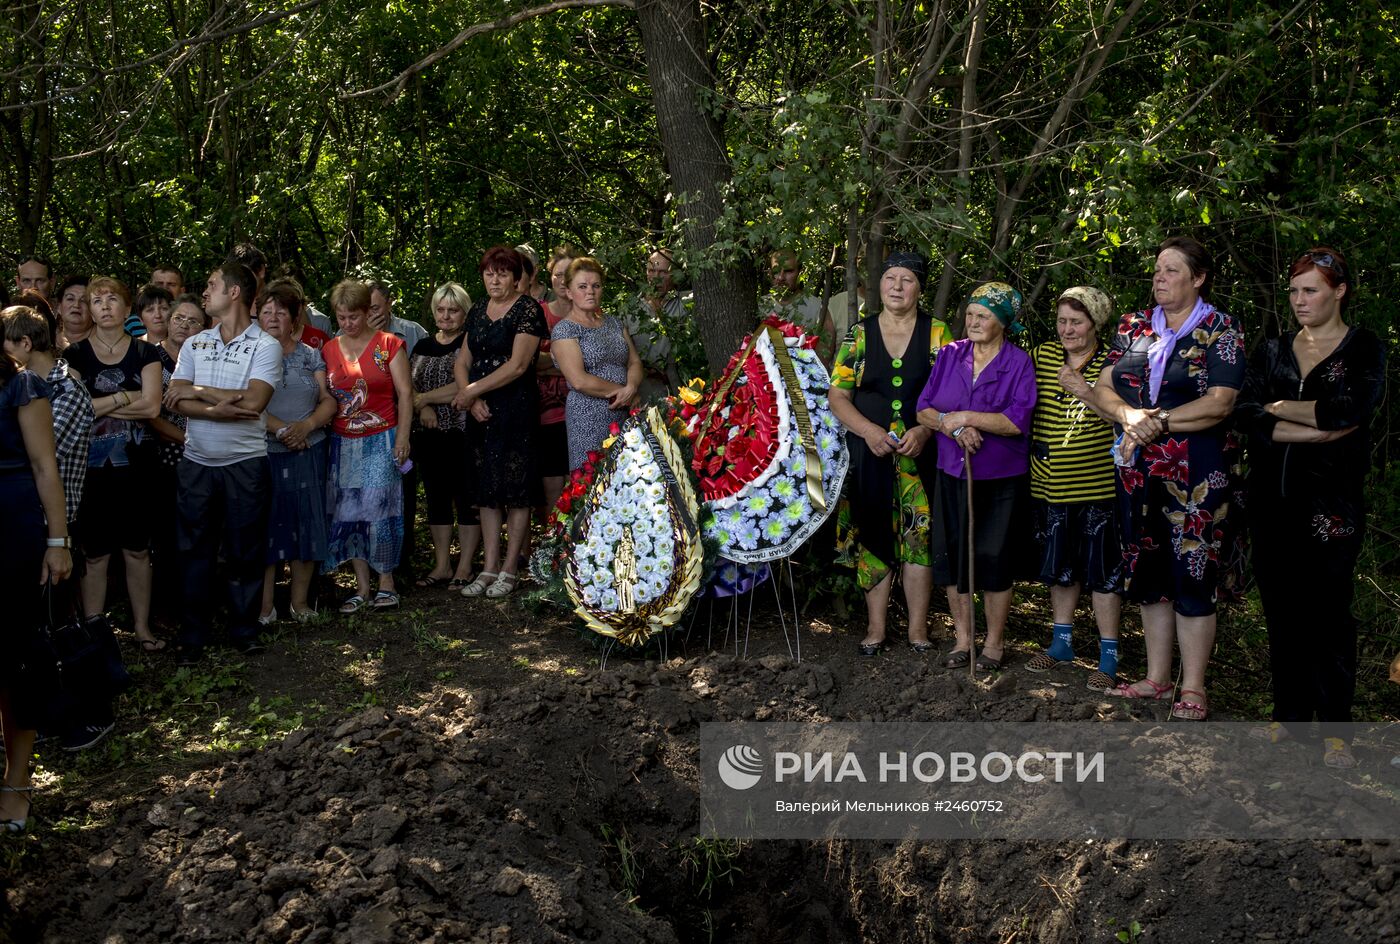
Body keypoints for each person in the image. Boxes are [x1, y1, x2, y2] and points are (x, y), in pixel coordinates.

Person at [1236, 247, 1385, 767]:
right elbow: (1246, 413)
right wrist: (1306, 428)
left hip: (1331, 508)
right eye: (1294, 291)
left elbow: (1351, 409)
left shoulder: (1363, 347)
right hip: (1270, 503)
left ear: (1339, 291)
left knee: (1329, 615)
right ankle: (1290, 718)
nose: (1299, 300)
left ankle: (1337, 731)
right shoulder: (1273, 349)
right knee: (1282, 611)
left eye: (1311, 290)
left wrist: (1280, 409)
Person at [1091, 236, 1245, 720]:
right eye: (1157, 269)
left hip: (1196, 473)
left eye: (1172, 270)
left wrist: (1156, 422)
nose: (1159, 277)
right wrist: (1129, 416)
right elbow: (1103, 387)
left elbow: (1221, 402)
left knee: (1192, 572)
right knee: (1148, 571)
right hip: (1138, 471)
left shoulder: (1220, 329)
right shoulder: (1134, 325)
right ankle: (1157, 678)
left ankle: (1193, 687)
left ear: (1198, 278)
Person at [829, 253, 952, 655]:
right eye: (890, 278)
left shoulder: (937, 333)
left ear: (920, 288)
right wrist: (867, 430)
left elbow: (951, 393)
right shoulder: (859, 335)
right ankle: (876, 628)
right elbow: (838, 395)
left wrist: (925, 430)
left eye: (907, 280)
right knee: (872, 533)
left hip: (921, 456)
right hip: (871, 452)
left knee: (920, 536)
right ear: (879, 285)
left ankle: (918, 631)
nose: (897, 287)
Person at [916, 281, 1037, 672]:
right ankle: (963, 640)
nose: (973, 321)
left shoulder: (1018, 362)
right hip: (951, 471)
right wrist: (952, 428)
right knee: (953, 556)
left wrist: (967, 417)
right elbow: (924, 409)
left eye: (983, 315)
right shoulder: (951, 354)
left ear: (1002, 321)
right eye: (970, 314)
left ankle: (995, 644)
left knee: (995, 558)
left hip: (1000, 476)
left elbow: (1016, 420)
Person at [165, 263, 282, 663]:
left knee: (244, 551)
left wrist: (198, 391)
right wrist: (218, 407)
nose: (205, 291)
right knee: (192, 550)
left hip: (245, 465)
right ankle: (193, 636)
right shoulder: (196, 344)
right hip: (196, 463)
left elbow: (254, 403)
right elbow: (174, 397)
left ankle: (244, 631)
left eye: (212, 284)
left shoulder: (265, 345)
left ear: (234, 293)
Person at [1025, 286, 1124, 692]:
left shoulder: (1114, 360)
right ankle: (1061, 644)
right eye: (1062, 321)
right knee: (1060, 568)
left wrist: (1083, 389)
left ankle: (1108, 658)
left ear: (1095, 324)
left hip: (1097, 485)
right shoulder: (1043, 355)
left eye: (1076, 322)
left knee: (1103, 573)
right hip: (1048, 483)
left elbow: (1122, 417)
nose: (1067, 329)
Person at [63, 277, 164, 652]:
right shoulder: (74, 355)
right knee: (95, 555)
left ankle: (142, 628)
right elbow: (78, 410)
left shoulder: (145, 352)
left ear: (126, 308)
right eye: (96, 301)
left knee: (137, 551)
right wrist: (125, 396)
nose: (104, 306)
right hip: (89, 472)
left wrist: (100, 404)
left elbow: (152, 407)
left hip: (137, 469)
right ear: (90, 310)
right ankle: (95, 636)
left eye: (112, 299)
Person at [0, 321, 73, 830]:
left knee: (16, 660)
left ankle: (17, 782)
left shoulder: (21, 385)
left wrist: (57, 541)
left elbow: (46, 466)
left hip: (13, 531)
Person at [451, 246, 548, 598]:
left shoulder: (528, 310)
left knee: (516, 490)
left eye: (503, 274)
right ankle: (489, 567)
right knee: (486, 490)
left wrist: (471, 391)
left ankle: (510, 569)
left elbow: (518, 365)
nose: (495, 280)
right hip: (481, 412)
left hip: (515, 410)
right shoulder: (478, 309)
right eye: (489, 273)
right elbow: (462, 362)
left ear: (516, 278)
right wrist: (472, 398)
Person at [323, 279, 414, 613]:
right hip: (343, 441)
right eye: (342, 317)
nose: (348, 323)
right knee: (350, 513)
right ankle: (361, 587)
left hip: (382, 437)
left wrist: (403, 437)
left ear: (366, 312)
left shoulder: (389, 344)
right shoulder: (329, 349)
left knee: (380, 511)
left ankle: (386, 582)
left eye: (354, 316)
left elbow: (405, 393)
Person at [257, 284, 336, 623]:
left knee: (307, 523)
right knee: (266, 527)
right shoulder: (250, 355)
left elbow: (328, 399)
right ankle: (265, 607)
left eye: (281, 312)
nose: (273, 318)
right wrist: (283, 431)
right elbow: (247, 406)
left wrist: (307, 426)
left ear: (294, 318)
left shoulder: (311, 354)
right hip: (264, 452)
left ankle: (300, 603)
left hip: (309, 449)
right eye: (266, 312)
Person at [411, 282, 481, 590]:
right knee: (436, 498)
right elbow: (407, 384)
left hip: (462, 432)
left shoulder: (470, 342)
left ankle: (465, 566)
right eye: (440, 309)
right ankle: (442, 565)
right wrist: (423, 406)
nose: (446, 316)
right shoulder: (422, 345)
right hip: (428, 434)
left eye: (453, 310)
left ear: (464, 313)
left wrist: (424, 399)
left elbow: (464, 385)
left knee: (466, 497)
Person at [551, 258, 641, 470]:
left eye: (596, 285)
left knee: (631, 475)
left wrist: (632, 387)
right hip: (588, 416)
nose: (590, 291)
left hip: (625, 411)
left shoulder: (614, 323)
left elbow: (634, 361)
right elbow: (579, 380)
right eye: (582, 286)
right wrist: (624, 393)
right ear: (569, 292)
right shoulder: (565, 330)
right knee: (593, 480)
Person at [619, 248, 694, 400]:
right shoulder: (629, 310)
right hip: (644, 393)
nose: (656, 277)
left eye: (663, 272)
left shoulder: (687, 302)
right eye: (651, 271)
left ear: (675, 274)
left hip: (686, 390)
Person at [535, 246, 577, 513]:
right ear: (550, 277)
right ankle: (553, 537)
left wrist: (549, 361)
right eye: (557, 274)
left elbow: (593, 363)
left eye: (568, 274)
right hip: (545, 412)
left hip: (583, 408)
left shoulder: (589, 313)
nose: (562, 280)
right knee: (551, 485)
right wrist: (572, 365)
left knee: (581, 479)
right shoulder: (538, 313)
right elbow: (530, 362)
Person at [765, 249, 835, 363]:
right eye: (776, 271)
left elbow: (824, 356)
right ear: (769, 273)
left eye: (788, 271)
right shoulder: (760, 307)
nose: (781, 277)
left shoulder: (817, 307)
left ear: (800, 272)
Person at [367, 281, 429, 351]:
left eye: (375, 308)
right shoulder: (357, 336)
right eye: (364, 309)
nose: (368, 314)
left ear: (389, 304)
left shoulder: (415, 332)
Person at [56, 275, 91, 348]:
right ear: (59, 307)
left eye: (84, 300)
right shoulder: (47, 341)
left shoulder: (106, 342)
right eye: (70, 299)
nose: (76, 305)